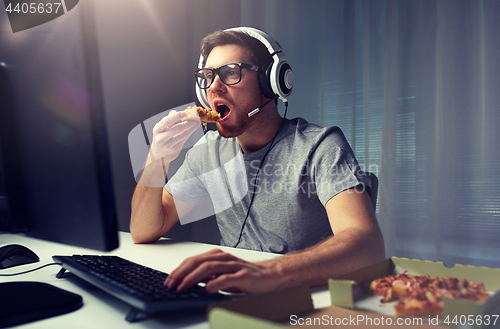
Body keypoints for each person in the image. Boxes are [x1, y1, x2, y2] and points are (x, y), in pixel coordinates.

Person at [130, 27, 385, 296]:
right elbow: (144, 230)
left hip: (304, 300)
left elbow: (367, 244)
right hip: (232, 296)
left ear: (271, 82)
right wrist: (156, 159)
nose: (214, 87)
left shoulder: (320, 146)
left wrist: (269, 273)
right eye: (208, 77)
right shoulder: (208, 152)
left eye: (230, 73)